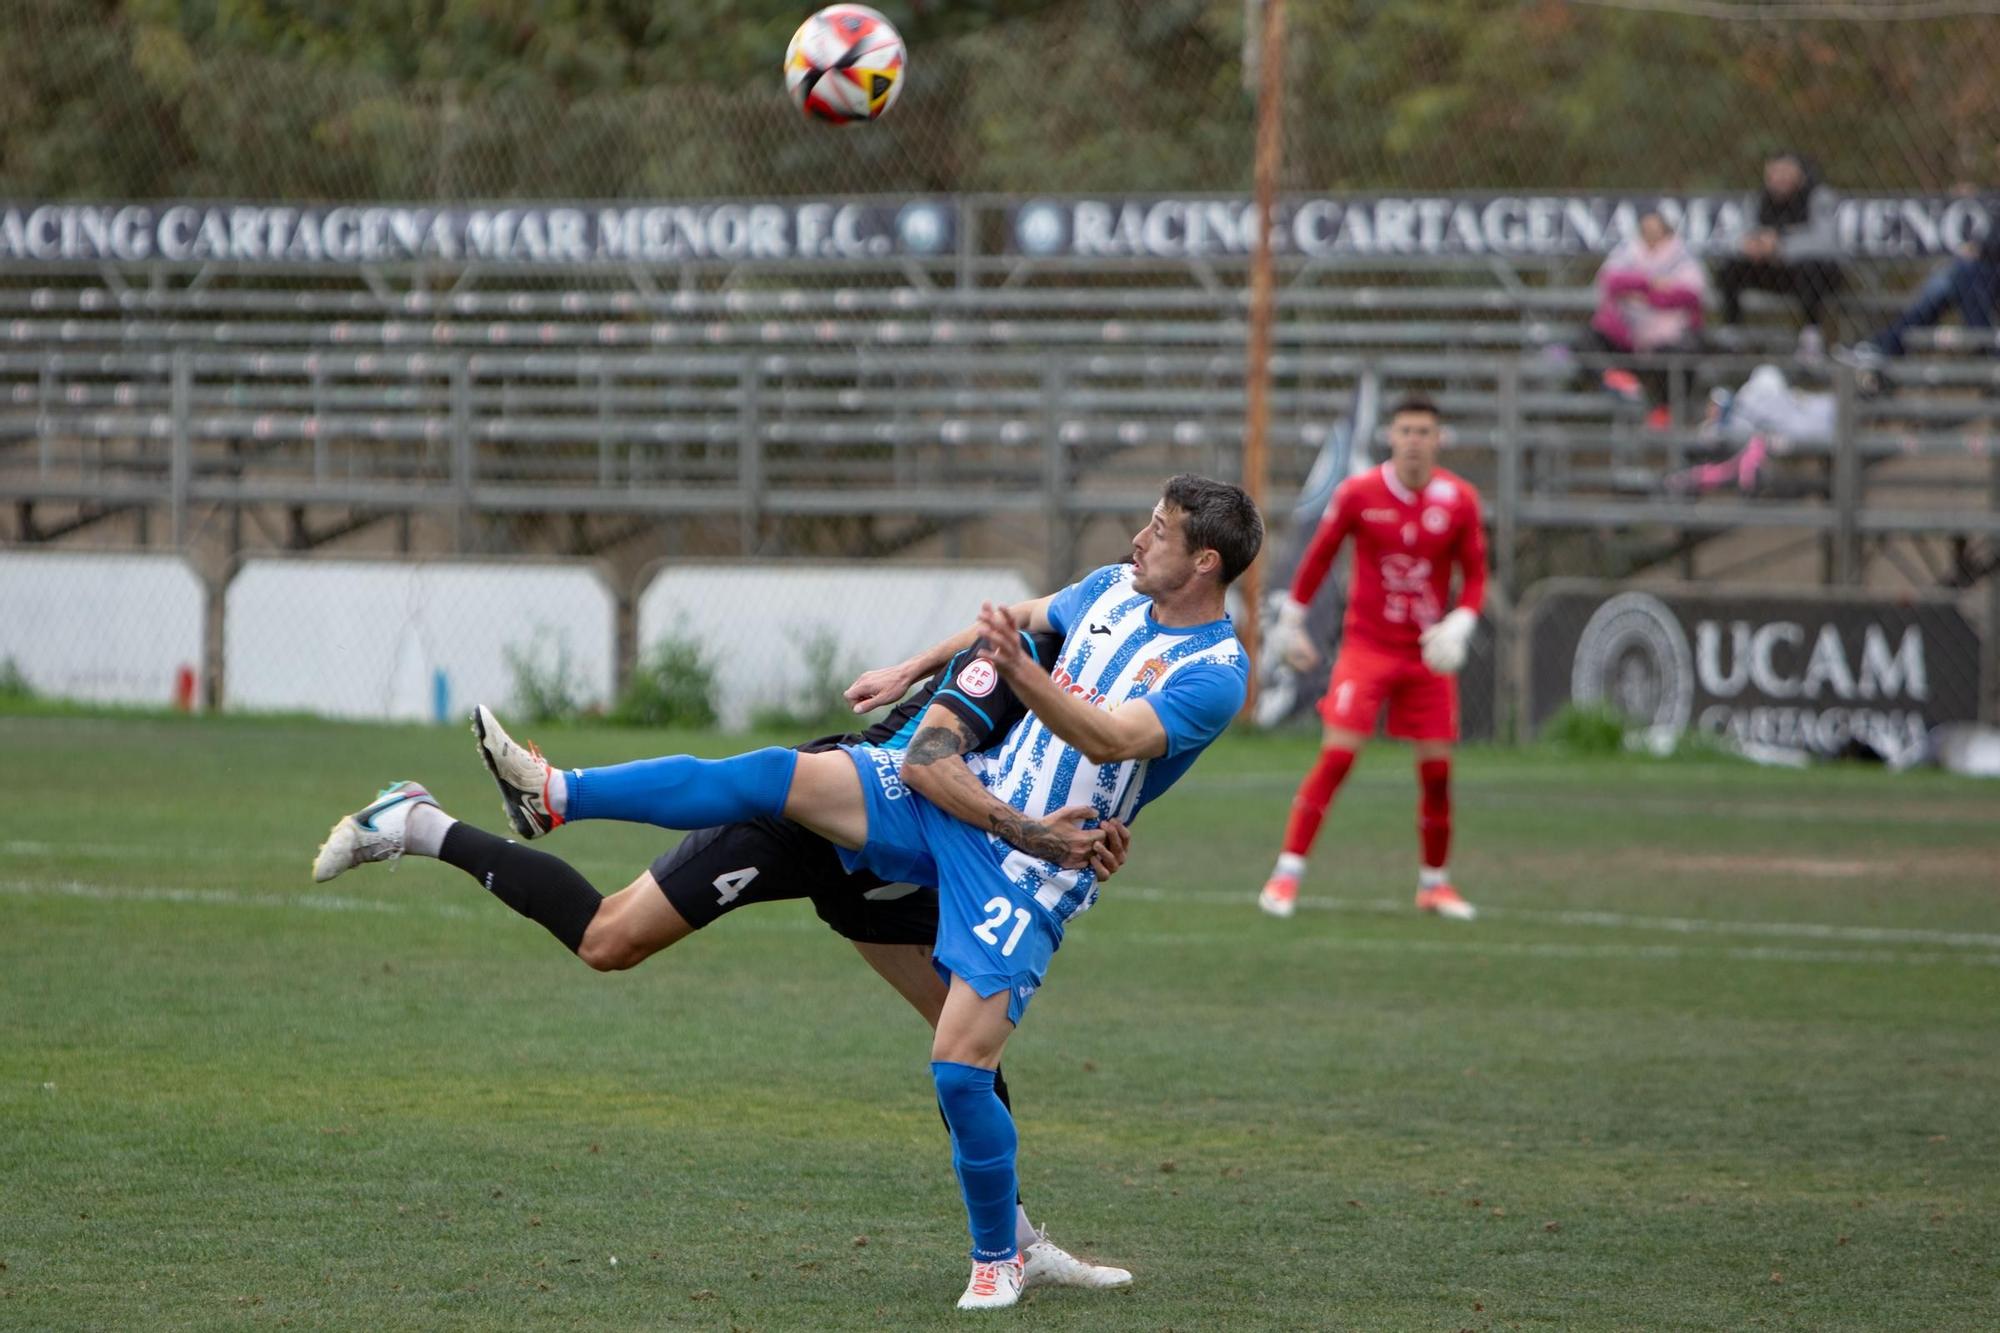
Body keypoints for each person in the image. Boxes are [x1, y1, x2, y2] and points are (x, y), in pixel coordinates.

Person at [316, 473, 1263, 1311]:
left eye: (1158, 530)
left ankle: (1001, 1254)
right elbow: (946, 733)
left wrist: (1019, 687)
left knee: (960, 1060)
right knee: (724, 827)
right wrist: (916, 667)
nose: (1136, 539)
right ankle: (552, 797)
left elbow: (1105, 739)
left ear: (1204, 560)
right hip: (927, 819)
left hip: (1018, 868)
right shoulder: (1090, 601)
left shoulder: (1213, 674)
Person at [311, 632, 1136, 1295]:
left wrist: (1088, 835)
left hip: (903, 868)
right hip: (829, 820)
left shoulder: (1107, 688)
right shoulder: (1036, 649)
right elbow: (936, 751)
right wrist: (1025, 815)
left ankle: (1015, 1241)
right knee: (608, 939)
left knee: (967, 1032)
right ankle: (423, 822)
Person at [1256, 397, 1488, 923]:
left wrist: (1463, 621)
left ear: (1438, 438)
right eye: (1405, 429)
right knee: (1337, 758)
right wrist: (1291, 620)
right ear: (1391, 435)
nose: (1414, 439)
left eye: (1424, 430)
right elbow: (1319, 555)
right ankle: (1286, 873)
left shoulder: (1460, 499)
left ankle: (1434, 885)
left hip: (1427, 655)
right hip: (1368, 648)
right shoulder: (1360, 493)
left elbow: (1475, 573)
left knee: (1437, 772)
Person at [1576, 208, 1709, 424]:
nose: (1650, 235)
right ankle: (1614, 378)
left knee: (1685, 352)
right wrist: (1650, 284)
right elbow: (1610, 282)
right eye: (1646, 230)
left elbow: (1690, 295)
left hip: (1667, 339)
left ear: (1667, 232)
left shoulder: (1682, 257)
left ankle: (1664, 410)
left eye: (1655, 230)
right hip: (1627, 336)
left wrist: (1644, 297)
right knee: (1586, 339)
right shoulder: (1628, 252)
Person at [1714, 151, 1845, 345]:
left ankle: (1811, 335)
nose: (1779, 178)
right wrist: (1750, 244)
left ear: (1799, 175)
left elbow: (1826, 242)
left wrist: (1781, 245)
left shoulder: (1818, 197)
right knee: (1728, 267)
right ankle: (1732, 332)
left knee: (1811, 269)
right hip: (1773, 270)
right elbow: (1736, 234)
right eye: (1774, 173)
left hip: (1812, 274)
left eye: (1786, 172)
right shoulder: (1758, 200)